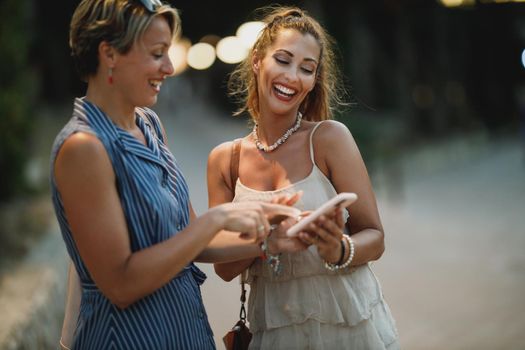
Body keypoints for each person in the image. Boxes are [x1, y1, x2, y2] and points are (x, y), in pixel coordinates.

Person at [51, 1, 303, 349]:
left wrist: (271, 239)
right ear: (109, 54)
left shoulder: (150, 125)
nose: (169, 68)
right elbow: (120, 285)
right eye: (157, 54)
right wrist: (217, 218)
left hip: (184, 331)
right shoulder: (84, 148)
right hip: (127, 339)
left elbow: (188, 240)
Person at [208, 6, 400, 349]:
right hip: (275, 331)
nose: (293, 77)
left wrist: (339, 248)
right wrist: (268, 240)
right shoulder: (226, 160)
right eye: (282, 60)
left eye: (306, 69)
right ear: (257, 61)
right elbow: (223, 268)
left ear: (314, 81)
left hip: (347, 323)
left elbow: (376, 237)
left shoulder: (329, 139)